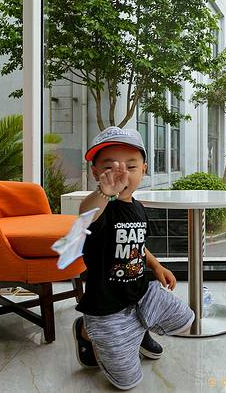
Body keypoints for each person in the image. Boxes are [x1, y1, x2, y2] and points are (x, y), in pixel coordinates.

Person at [72, 127, 194, 390]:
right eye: (110, 168)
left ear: (144, 170)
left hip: (139, 292)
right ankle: (86, 330)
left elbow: (138, 245)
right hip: (106, 305)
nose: (121, 174)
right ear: (95, 172)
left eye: (130, 166)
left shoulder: (138, 207)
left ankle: (137, 330)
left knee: (185, 320)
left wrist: (156, 265)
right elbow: (85, 214)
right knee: (126, 382)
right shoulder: (101, 209)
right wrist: (104, 193)